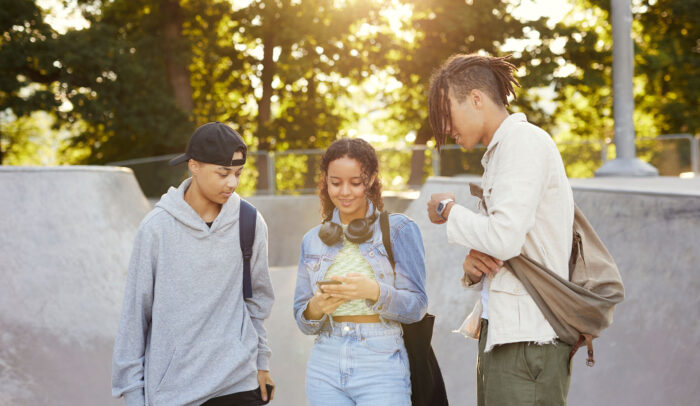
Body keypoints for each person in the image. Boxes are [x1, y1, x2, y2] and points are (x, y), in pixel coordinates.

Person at [426, 54, 575, 405]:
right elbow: (506, 242)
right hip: (506, 336)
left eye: (447, 115)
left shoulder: (523, 142)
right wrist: (472, 266)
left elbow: (504, 238)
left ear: (476, 99)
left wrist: (448, 210)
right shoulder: (502, 152)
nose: (446, 128)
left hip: (527, 344)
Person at [112, 122, 275, 406]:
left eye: (237, 173)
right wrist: (133, 395)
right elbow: (134, 316)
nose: (232, 183)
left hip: (237, 383)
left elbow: (256, 301)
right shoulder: (156, 229)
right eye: (223, 173)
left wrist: (261, 362)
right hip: (175, 392)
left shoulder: (249, 223)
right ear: (194, 166)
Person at [293, 138, 427, 406]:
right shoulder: (312, 240)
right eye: (335, 182)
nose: (345, 192)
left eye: (355, 182)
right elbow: (302, 318)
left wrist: (374, 291)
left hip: (381, 360)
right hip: (326, 361)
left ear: (371, 179)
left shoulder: (400, 229)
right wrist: (316, 307)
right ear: (325, 181)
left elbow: (417, 306)